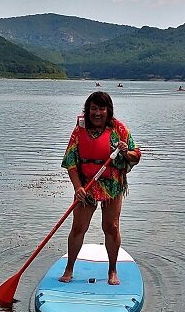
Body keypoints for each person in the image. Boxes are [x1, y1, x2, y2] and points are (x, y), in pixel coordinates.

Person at [59, 91, 141, 285]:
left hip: (112, 184)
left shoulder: (118, 129)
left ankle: (112, 270)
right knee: (79, 227)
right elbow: (70, 162)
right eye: (93, 108)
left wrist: (125, 151)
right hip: (86, 185)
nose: (97, 113)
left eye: (101, 109)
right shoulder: (79, 130)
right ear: (87, 110)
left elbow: (136, 155)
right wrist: (78, 187)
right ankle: (69, 268)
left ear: (108, 111)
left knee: (111, 227)